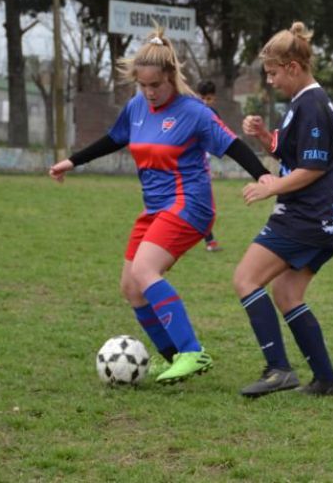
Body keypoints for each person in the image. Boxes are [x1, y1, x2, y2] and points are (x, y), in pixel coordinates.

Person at [48, 30, 270, 384]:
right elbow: (113, 139)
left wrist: (263, 176)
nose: (149, 92)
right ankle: (173, 360)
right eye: (143, 85)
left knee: (145, 270)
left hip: (190, 204)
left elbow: (232, 145)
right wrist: (72, 162)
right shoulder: (137, 106)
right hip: (154, 208)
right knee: (131, 287)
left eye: (156, 85)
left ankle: (192, 352)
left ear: (171, 77)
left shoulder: (194, 112)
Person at [233, 21, 333, 398]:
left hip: (307, 217)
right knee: (286, 294)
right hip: (324, 220)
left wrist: (271, 188)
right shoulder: (301, 104)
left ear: (293, 67)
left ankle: (279, 370)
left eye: (272, 73)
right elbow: (292, 154)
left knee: (246, 279)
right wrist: (264, 137)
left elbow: (312, 168)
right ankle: (326, 380)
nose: (270, 81)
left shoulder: (313, 105)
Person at [196, 79, 222, 252]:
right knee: (201, 204)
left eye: (209, 99)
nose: (205, 102)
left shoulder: (211, 114)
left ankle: (209, 240)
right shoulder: (192, 112)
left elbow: (219, 138)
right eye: (203, 98)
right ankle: (209, 241)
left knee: (199, 202)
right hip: (192, 165)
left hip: (202, 163)